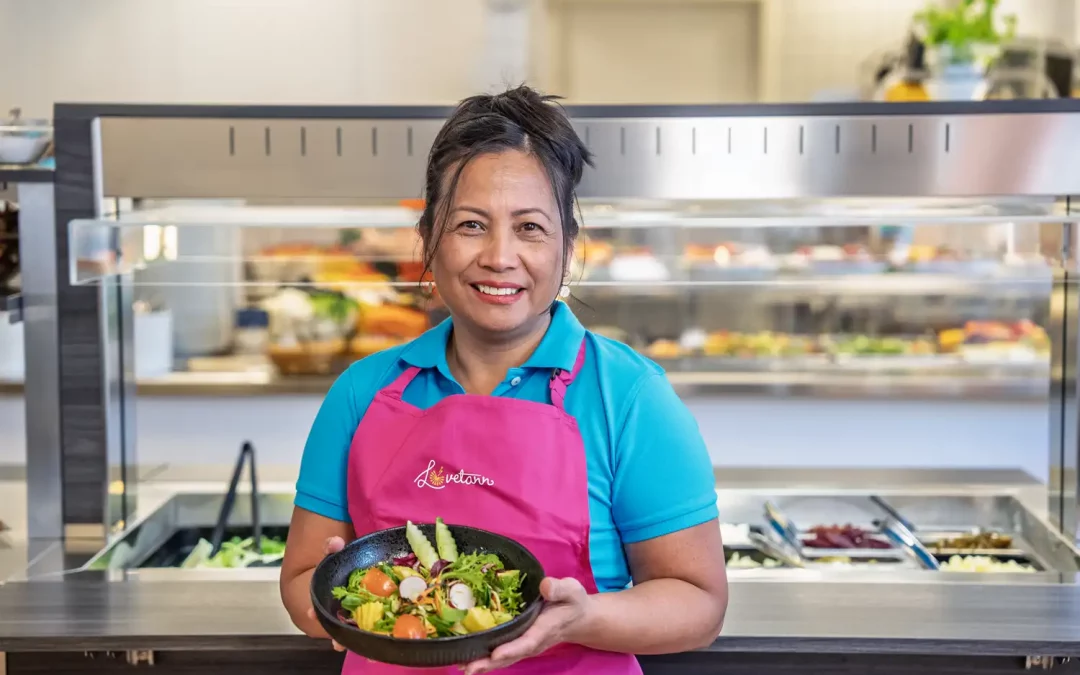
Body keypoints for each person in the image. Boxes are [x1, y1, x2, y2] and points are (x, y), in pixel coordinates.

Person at [280, 85, 728, 675]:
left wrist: (583, 617)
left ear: (568, 245)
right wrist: (336, 599)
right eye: (470, 224)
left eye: (530, 228)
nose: (499, 256)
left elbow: (699, 602)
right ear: (429, 240)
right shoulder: (362, 392)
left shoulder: (631, 397)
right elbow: (300, 582)